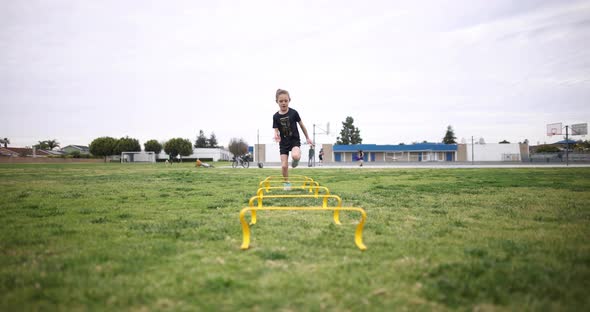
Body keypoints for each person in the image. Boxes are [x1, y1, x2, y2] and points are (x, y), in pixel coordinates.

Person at [273, 88, 313, 189]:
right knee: (284, 166)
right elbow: (276, 129)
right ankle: (287, 184)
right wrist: (276, 135)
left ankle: (296, 160)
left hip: (294, 141)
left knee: (295, 156)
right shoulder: (275, 116)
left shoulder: (294, 113)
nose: (283, 103)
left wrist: (307, 138)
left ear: (289, 100)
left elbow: (302, 126)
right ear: (277, 101)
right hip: (283, 143)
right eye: (281, 101)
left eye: (285, 101)